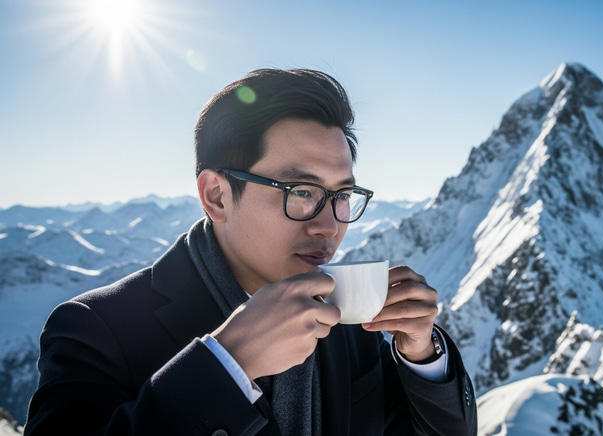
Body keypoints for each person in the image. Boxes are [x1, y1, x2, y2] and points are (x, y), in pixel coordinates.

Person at [24, 68, 478, 435]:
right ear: (217, 196)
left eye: (342, 194)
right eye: (301, 191)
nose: (330, 224)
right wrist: (227, 364)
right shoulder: (96, 328)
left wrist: (421, 354)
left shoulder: (346, 320)